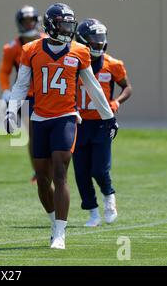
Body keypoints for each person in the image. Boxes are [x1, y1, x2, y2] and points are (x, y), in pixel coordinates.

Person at [5, 3, 118, 249]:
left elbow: (93, 87)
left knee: (60, 173)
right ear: (52, 25)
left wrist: (108, 116)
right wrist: (11, 110)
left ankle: (60, 233)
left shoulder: (79, 51)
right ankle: (52, 221)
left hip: (66, 117)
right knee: (44, 180)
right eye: (65, 25)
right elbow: (22, 85)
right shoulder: (31, 49)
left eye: (70, 25)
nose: (69, 30)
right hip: (39, 119)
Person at [73, 18, 132, 226]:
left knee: (99, 169)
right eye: (93, 39)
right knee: (81, 172)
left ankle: (109, 196)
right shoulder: (73, 62)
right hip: (79, 124)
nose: (99, 43)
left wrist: (116, 103)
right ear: (82, 40)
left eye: (101, 38)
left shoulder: (112, 64)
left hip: (102, 124)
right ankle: (93, 213)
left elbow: (127, 87)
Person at [0, 5, 45, 184]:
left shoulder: (47, 41)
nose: (28, 25)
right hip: (25, 96)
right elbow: (4, 71)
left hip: (47, 95)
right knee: (33, 133)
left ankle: (52, 168)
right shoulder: (12, 47)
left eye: (30, 21)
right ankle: (37, 170)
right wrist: (6, 90)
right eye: (24, 22)